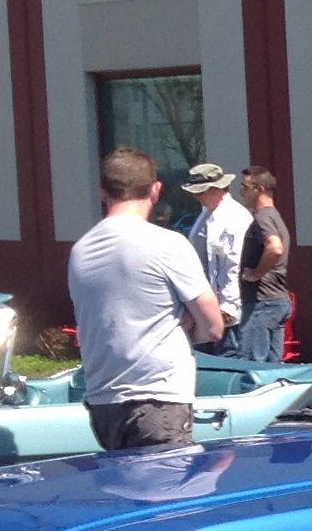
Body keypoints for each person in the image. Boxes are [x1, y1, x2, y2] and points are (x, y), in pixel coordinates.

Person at [69, 146, 224, 449]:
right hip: (158, 398)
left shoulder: (81, 250)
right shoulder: (167, 244)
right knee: (166, 492)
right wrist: (188, 323)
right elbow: (213, 325)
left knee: (125, 492)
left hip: (104, 401)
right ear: (156, 190)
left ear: (103, 191)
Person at [182, 161, 251, 353]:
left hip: (226, 308)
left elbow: (234, 263)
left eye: (201, 191)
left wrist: (229, 305)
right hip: (205, 305)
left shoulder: (235, 218)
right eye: (195, 191)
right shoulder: (205, 215)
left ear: (218, 189)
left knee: (228, 355)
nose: (197, 196)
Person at [235, 168, 293, 364]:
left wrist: (255, 274)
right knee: (273, 370)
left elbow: (275, 247)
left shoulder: (263, 217)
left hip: (262, 303)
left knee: (252, 368)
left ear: (259, 189)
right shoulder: (274, 215)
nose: (241, 192)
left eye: (245, 187)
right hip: (277, 301)